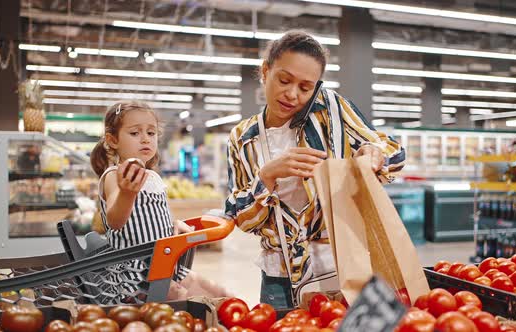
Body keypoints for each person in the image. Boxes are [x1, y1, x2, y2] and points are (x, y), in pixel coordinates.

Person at [225, 31, 405, 308]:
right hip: (279, 276)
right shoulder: (243, 137)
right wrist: (267, 176)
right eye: (284, 80)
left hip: (343, 266)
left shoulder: (330, 110)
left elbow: (389, 148)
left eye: (305, 87)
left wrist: (374, 154)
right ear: (265, 70)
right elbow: (244, 219)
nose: (292, 94)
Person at [91, 100, 230, 300]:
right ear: (113, 140)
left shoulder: (154, 177)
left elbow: (152, 219)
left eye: (151, 133)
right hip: (135, 277)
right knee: (194, 305)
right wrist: (127, 193)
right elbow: (115, 220)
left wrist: (174, 225)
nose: (145, 139)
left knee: (222, 296)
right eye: (135, 133)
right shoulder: (114, 176)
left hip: (167, 266)